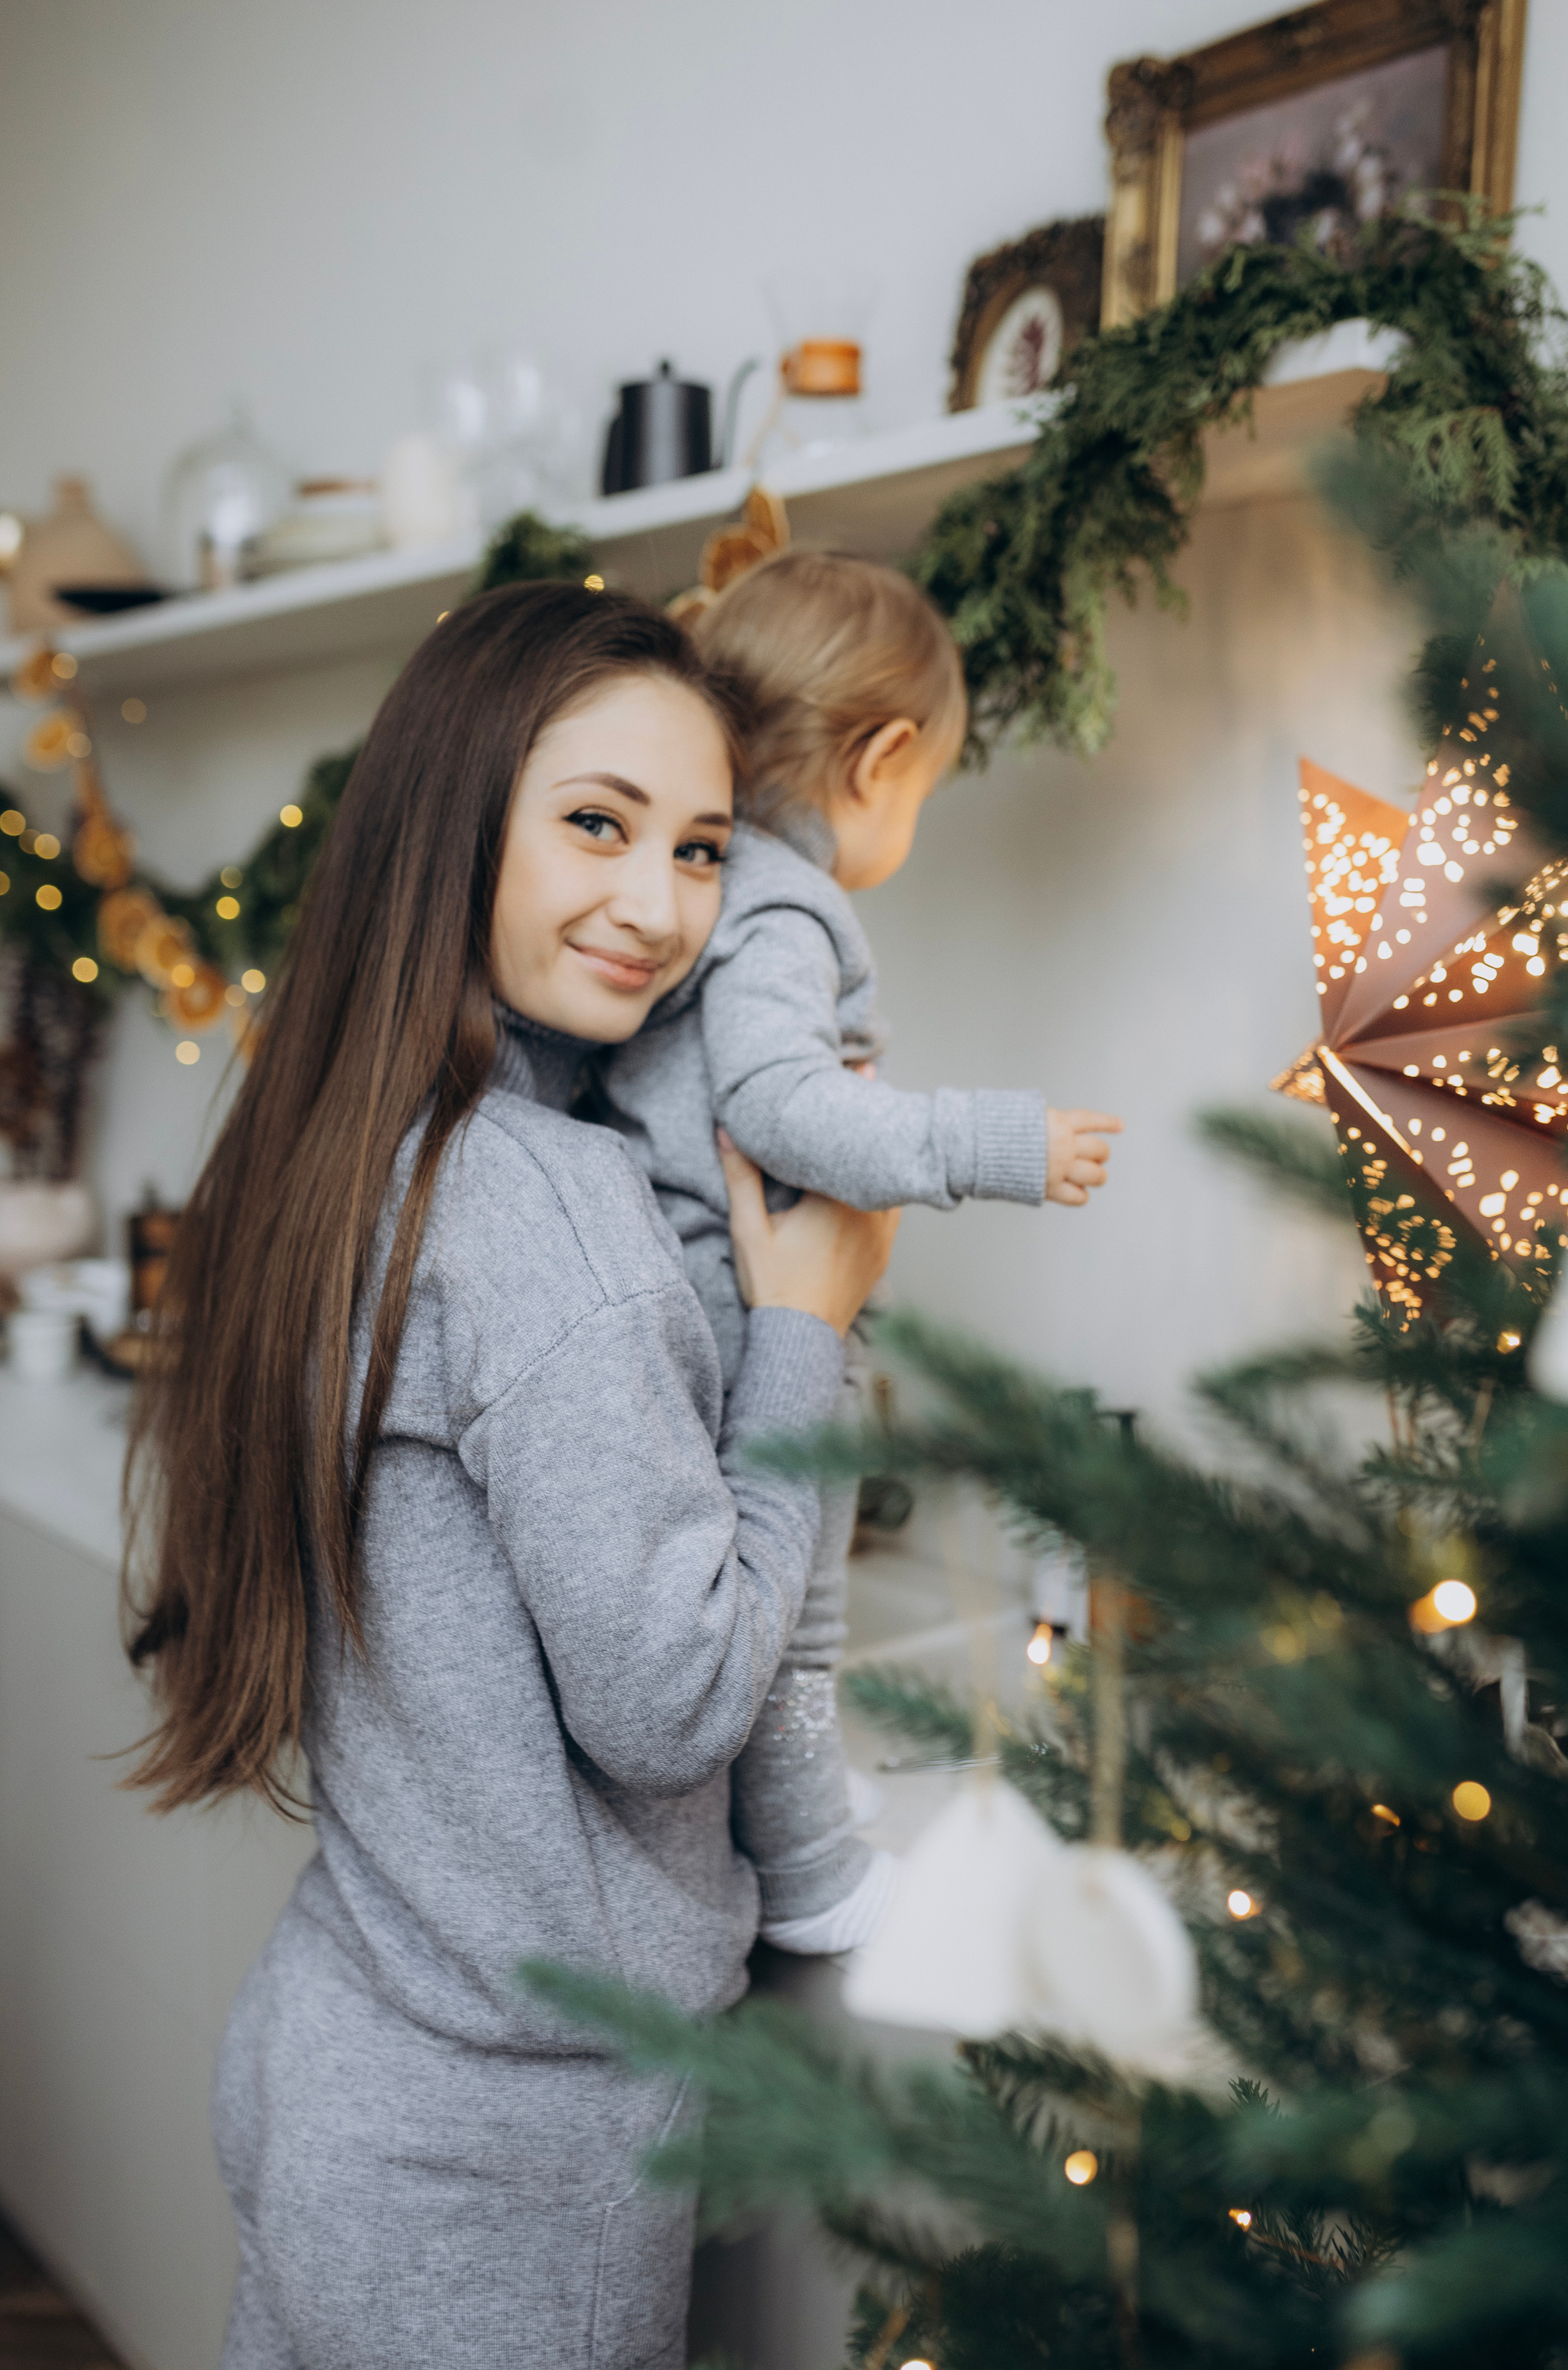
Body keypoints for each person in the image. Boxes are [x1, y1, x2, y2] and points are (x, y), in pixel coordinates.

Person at [120, 582, 897, 2370]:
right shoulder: (542, 1204)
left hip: (343, 2048)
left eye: (705, 849)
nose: (658, 906)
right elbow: (678, 1690)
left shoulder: (335, 1141)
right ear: (456, 826)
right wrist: (803, 1333)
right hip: (500, 2159)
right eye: (597, 826)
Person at [594, 548, 1122, 1958]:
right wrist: (994, 1145)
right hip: (753, 1313)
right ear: (882, 759)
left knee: (756, 1614)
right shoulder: (778, 906)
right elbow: (780, 1103)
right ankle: (815, 1873)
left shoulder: (715, 885)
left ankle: (786, 1839)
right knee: (795, 1619)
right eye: (928, 792)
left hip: (696, 1311)